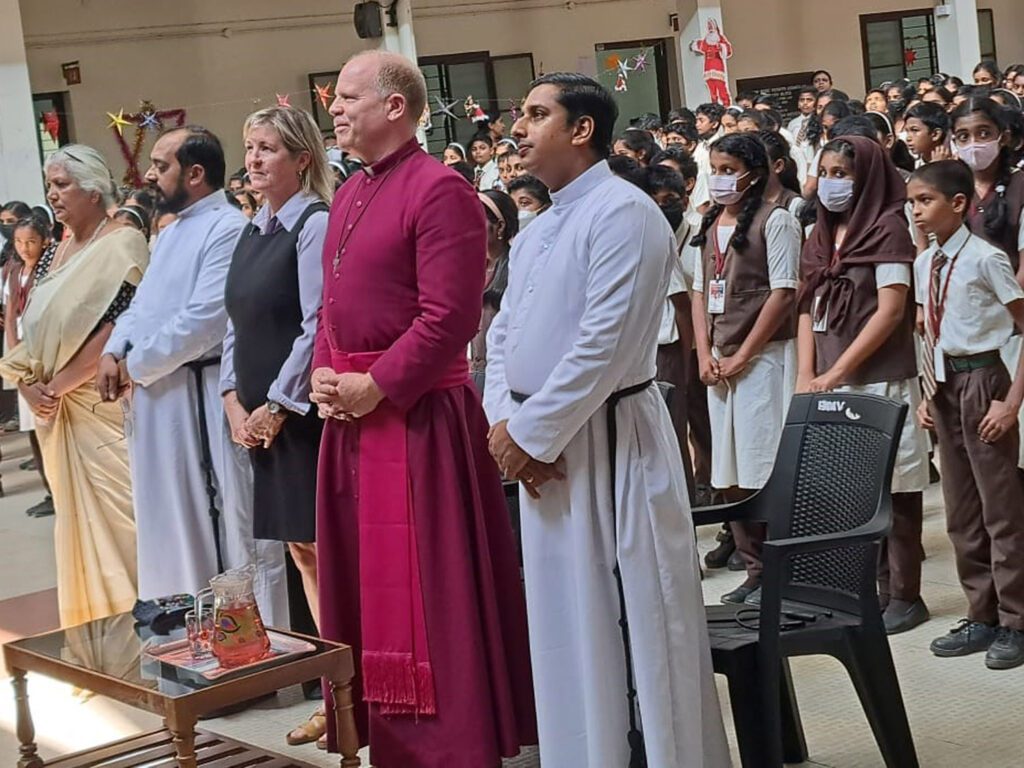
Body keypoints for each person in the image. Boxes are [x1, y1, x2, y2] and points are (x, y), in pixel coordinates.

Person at [485, 71, 729, 768]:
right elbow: (502, 338)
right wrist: (506, 425)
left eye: (536, 114)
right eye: (520, 113)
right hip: (544, 450)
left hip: (610, 439)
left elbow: (608, 341)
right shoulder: (536, 228)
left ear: (582, 129)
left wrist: (529, 437)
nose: (519, 128)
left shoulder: (624, 213)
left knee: (639, 624)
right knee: (566, 624)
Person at [313, 50, 536, 766]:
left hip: (417, 422)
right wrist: (323, 368)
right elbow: (331, 307)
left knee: (432, 589)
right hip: (351, 418)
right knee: (359, 583)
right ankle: (382, 733)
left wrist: (378, 385)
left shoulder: (439, 190)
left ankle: (450, 744)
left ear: (396, 106)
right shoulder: (348, 193)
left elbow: (450, 316)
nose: (336, 109)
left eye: (348, 97)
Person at [95, 127, 288, 622]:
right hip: (159, 395)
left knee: (220, 523)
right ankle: (182, 631)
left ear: (196, 174)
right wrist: (113, 351)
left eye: (162, 166)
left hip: (197, 396)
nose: (151, 176)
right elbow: (143, 304)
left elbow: (204, 322)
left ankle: (241, 646)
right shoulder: (172, 229)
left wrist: (135, 366)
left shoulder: (226, 226)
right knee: (167, 520)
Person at [219, 105, 332, 747]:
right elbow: (235, 325)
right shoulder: (253, 226)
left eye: (266, 148)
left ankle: (350, 686)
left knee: (321, 550)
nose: (254, 159)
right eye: (249, 147)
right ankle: (334, 685)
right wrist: (235, 401)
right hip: (260, 420)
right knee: (299, 551)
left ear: (301, 159)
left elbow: (317, 325)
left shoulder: (310, 225)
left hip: (301, 419)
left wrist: (280, 405)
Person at [0, 145, 147, 627]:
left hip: (97, 408)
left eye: (63, 184)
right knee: (76, 523)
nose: (52, 193)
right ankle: (98, 630)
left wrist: (58, 385)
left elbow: (117, 326)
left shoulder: (122, 243)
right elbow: (30, 326)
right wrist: (27, 385)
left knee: (123, 526)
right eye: (50, 184)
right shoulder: (56, 250)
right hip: (52, 409)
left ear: (93, 188)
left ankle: (141, 625)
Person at [798, 136, 931, 634]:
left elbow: (891, 310)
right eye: (826, 172)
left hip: (879, 376)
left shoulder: (888, 227)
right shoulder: (821, 230)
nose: (832, 183)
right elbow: (808, 308)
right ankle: (870, 588)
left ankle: (905, 594)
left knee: (896, 488)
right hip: (832, 376)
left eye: (843, 173)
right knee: (856, 493)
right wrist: (806, 374)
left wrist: (836, 372)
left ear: (868, 176)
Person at [910, 160, 1024, 669]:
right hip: (944, 383)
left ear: (958, 204)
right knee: (960, 509)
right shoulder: (924, 263)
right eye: (912, 202)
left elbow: (1022, 329)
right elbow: (930, 329)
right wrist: (925, 390)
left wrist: (1011, 401)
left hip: (986, 381)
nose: (916, 211)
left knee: (1000, 508)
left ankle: (1017, 620)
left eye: (925, 201)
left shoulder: (985, 259)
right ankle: (982, 613)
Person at [690, 133, 801, 605]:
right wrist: (703, 352)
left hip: (763, 360)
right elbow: (698, 292)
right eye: (714, 168)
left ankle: (781, 570)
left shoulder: (775, 221)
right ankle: (754, 568)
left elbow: (783, 293)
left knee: (763, 463)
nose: (720, 178)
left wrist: (744, 355)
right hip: (718, 359)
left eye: (728, 168)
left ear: (754, 172)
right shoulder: (710, 222)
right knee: (728, 467)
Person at [5, 215, 56, 518]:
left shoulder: (48, 270)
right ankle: (47, 488)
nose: (25, 248)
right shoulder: (14, 271)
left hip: (42, 355)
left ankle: (58, 489)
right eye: (19, 242)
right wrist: (14, 353)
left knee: (46, 424)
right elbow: (10, 313)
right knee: (31, 430)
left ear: (44, 241)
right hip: (22, 357)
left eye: (31, 242)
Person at [470, 189, 518, 392]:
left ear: (499, 226)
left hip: (500, 374)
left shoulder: (515, 268)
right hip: (472, 368)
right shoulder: (470, 266)